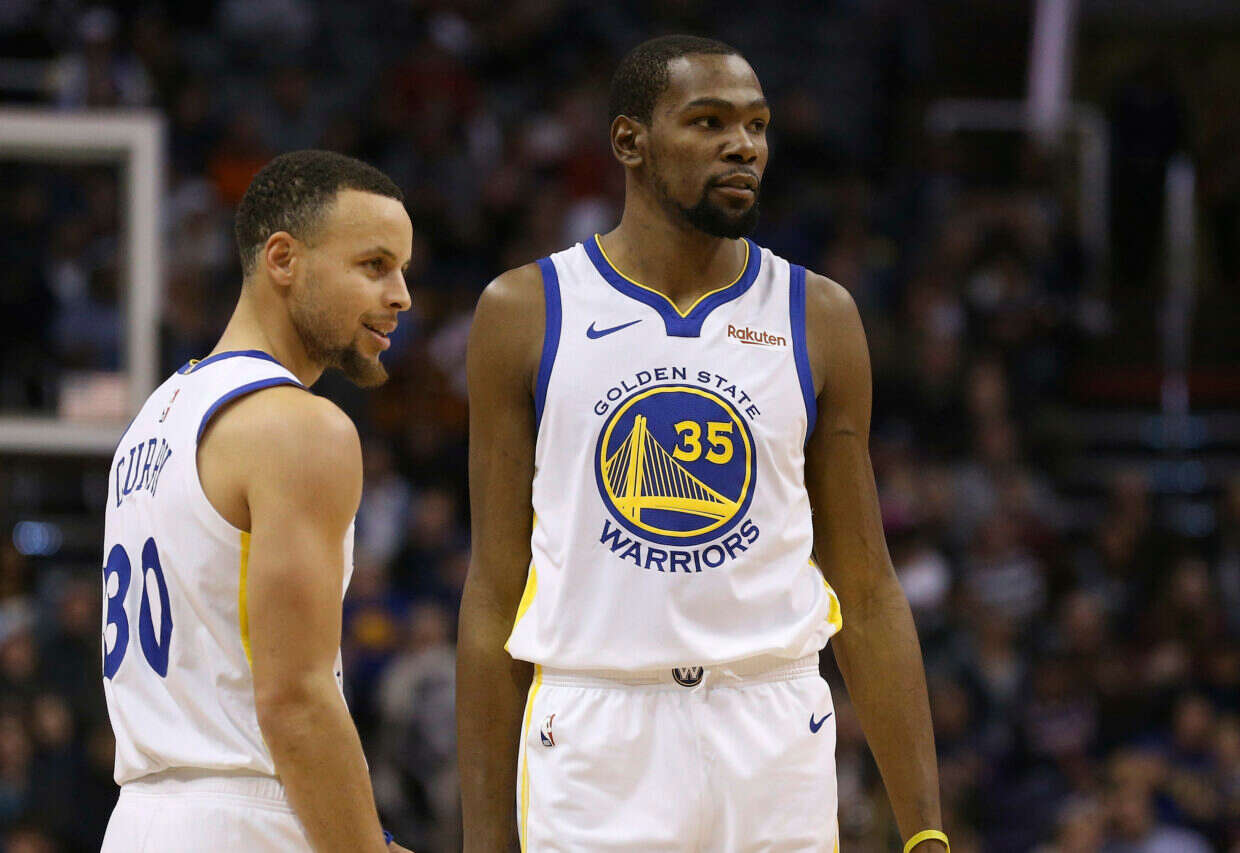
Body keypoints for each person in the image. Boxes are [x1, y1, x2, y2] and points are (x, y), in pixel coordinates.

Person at [460, 35, 946, 852]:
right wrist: (483, 837)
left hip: (773, 723)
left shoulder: (820, 314)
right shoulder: (525, 310)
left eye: (757, 125)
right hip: (594, 730)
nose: (743, 145)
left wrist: (926, 830)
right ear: (630, 142)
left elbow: (866, 592)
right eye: (709, 122)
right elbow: (492, 593)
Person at [99, 150, 414, 852]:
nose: (401, 295)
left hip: (141, 819)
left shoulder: (155, 417)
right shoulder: (301, 427)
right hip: (243, 818)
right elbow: (295, 702)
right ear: (282, 259)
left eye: (402, 269)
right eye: (374, 265)